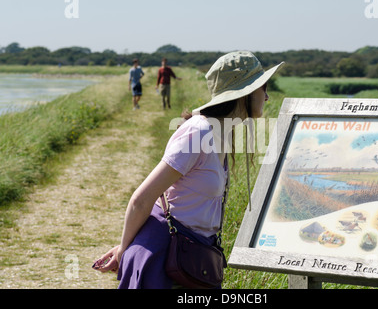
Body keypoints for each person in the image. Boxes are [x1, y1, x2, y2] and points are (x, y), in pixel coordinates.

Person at [93, 51, 284, 289]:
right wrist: (124, 249)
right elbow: (141, 200)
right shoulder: (199, 132)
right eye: (262, 87)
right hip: (165, 260)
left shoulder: (222, 132)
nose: (267, 96)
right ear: (243, 92)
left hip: (191, 257)